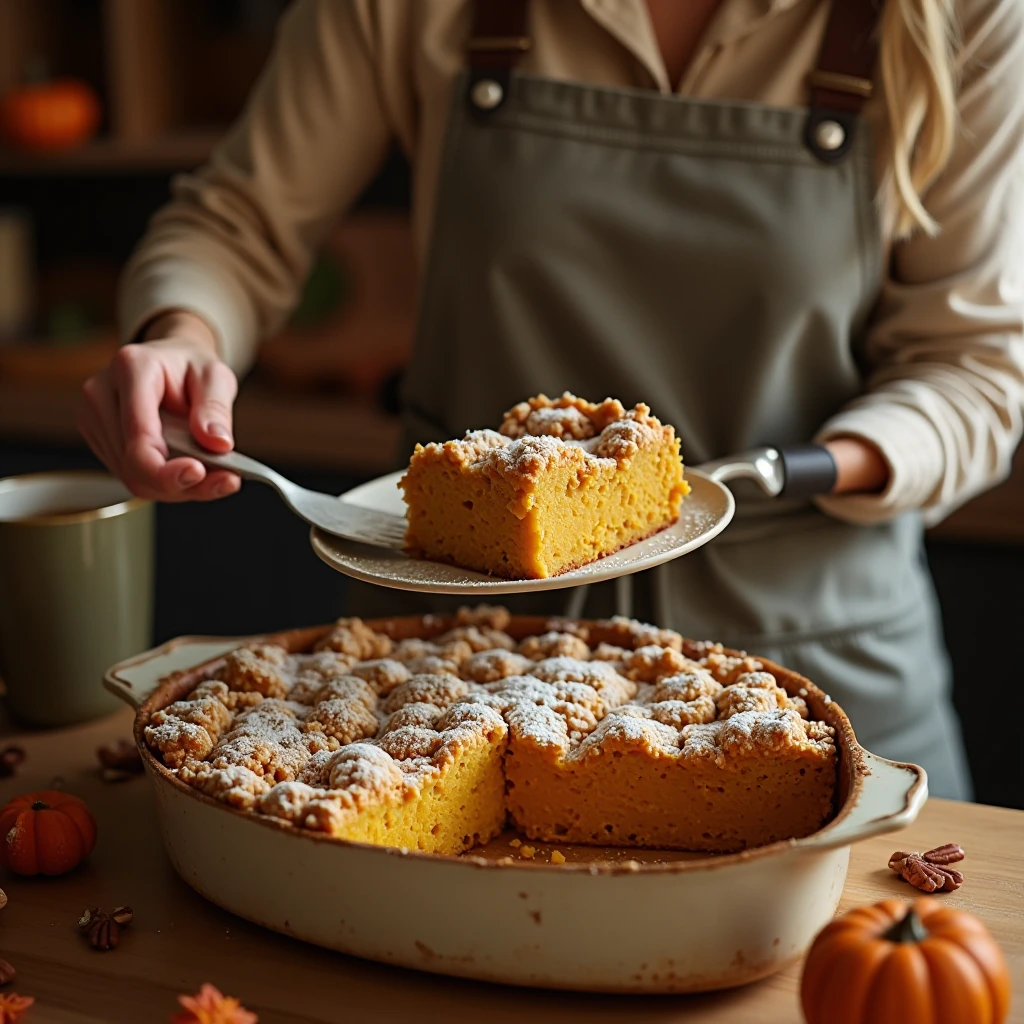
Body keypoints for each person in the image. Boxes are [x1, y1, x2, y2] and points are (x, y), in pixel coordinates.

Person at [78, 0, 1024, 800]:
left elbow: (973, 365)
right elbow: (237, 222)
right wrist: (182, 336)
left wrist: (817, 463)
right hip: (458, 668)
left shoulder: (963, 17)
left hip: (826, 660)